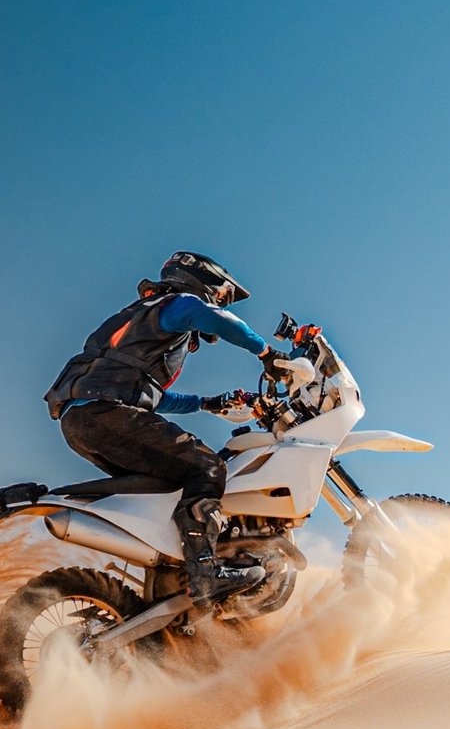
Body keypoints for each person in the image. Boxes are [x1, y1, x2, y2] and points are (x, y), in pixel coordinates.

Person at [43, 251, 311, 604]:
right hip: (106, 413)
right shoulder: (179, 303)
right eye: (223, 294)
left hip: (84, 419)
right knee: (207, 467)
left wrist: (206, 403)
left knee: (171, 487)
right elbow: (208, 316)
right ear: (202, 281)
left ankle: (169, 581)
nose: (222, 301)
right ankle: (205, 574)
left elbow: (149, 397)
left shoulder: (139, 317)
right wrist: (266, 354)